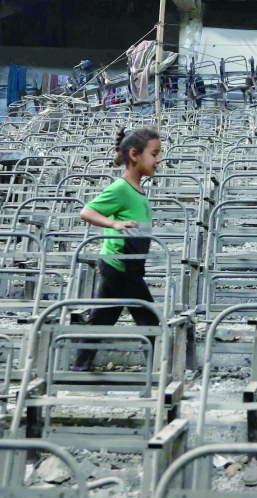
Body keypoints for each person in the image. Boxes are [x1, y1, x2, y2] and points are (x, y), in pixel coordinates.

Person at [71, 127, 163, 372]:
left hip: (124, 263)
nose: (159, 160)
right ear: (135, 155)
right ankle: (158, 376)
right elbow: (87, 211)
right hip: (120, 264)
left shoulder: (136, 188)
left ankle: (79, 370)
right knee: (149, 319)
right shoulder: (121, 188)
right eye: (154, 154)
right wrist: (113, 223)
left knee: (102, 319)